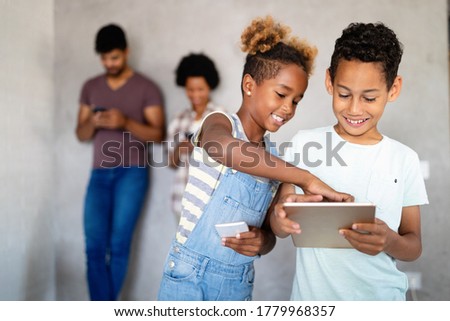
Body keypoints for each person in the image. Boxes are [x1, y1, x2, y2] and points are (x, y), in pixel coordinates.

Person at [157, 16, 352, 301]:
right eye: (282, 94)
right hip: (188, 276)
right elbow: (225, 149)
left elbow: (270, 231)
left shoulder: (273, 159)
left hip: (238, 282)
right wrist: (306, 178)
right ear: (249, 85)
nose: (288, 108)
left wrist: (262, 242)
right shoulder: (219, 123)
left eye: (296, 101)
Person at [270, 22, 429, 300]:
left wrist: (389, 241)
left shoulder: (404, 159)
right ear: (329, 81)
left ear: (393, 89)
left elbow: (413, 244)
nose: (354, 109)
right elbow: (279, 220)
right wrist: (279, 220)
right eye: (344, 95)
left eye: (369, 98)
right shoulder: (304, 144)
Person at [75, 23, 165, 300]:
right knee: (93, 247)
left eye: (113, 57)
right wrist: (93, 120)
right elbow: (81, 134)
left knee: (119, 245)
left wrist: (124, 121)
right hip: (99, 174)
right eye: (103, 58)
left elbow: (157, 134)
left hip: (133, 174)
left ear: (126, 52)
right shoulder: (90, 87)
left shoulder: (147, 87)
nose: (109, 63)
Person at [167, 53, 225, 220]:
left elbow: (230, 159)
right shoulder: (178, 119)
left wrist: (202, 146)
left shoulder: (220, 116)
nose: (195, 95)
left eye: (200, 89)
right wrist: (181, 148)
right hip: (181, 201)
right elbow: (171, 163)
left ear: (210, 87)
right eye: (190, 90)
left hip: (210, 202)